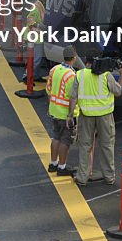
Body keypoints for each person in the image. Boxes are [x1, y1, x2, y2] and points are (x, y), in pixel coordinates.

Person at [70, 56, 122, 187]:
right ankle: (109, 177)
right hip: (105, 117)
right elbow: (118, 91)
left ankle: (82, 177)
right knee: (106, 146)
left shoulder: (80, 75)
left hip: (86, 115)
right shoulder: (106, 75)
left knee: (85, 146)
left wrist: (70, 115)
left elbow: (73, 97)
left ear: (86, 61)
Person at [45, 45, 79, 177]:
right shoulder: (71, 75)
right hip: (65, 114)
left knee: (55, 137)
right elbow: (73, 96)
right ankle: (62, 166)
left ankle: (53, 164)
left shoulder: (54, 69)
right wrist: (71, 115)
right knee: (66, 141)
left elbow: (48, 90)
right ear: (74, 58)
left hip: (54, 110)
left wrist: (51, 107)